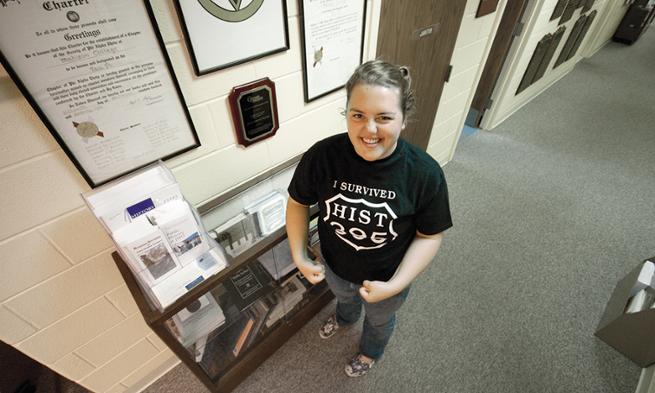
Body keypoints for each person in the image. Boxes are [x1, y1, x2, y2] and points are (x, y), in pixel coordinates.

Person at [286, 60, 452, 377]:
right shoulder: (322, 155)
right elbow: (297, 202)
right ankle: (345, 318)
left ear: (404, 120)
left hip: (388, 279)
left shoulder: (424, 173)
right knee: (344, 300)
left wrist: (397, 284)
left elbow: (430, 235)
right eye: (358, 115)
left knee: (379, 320)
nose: (370, 129)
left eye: (385, 118)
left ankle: (370, 351)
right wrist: (299, 254)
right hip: (334, 265)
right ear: (346, 113)